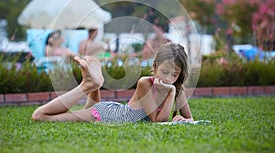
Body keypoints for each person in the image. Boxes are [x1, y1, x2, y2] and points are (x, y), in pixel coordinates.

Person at [32, 42, 193, 123]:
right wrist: (171, 92)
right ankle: (87, 85)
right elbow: (159, 121)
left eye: (175, 74)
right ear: (155, 66)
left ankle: (94, 85)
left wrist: (183, 120)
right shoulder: (145, 83)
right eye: (165, 72)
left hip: (111, 112)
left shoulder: (177, 89)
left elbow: (190, 120)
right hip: (108, 115)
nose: (168, 78)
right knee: (40, 116)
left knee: (82, 110)